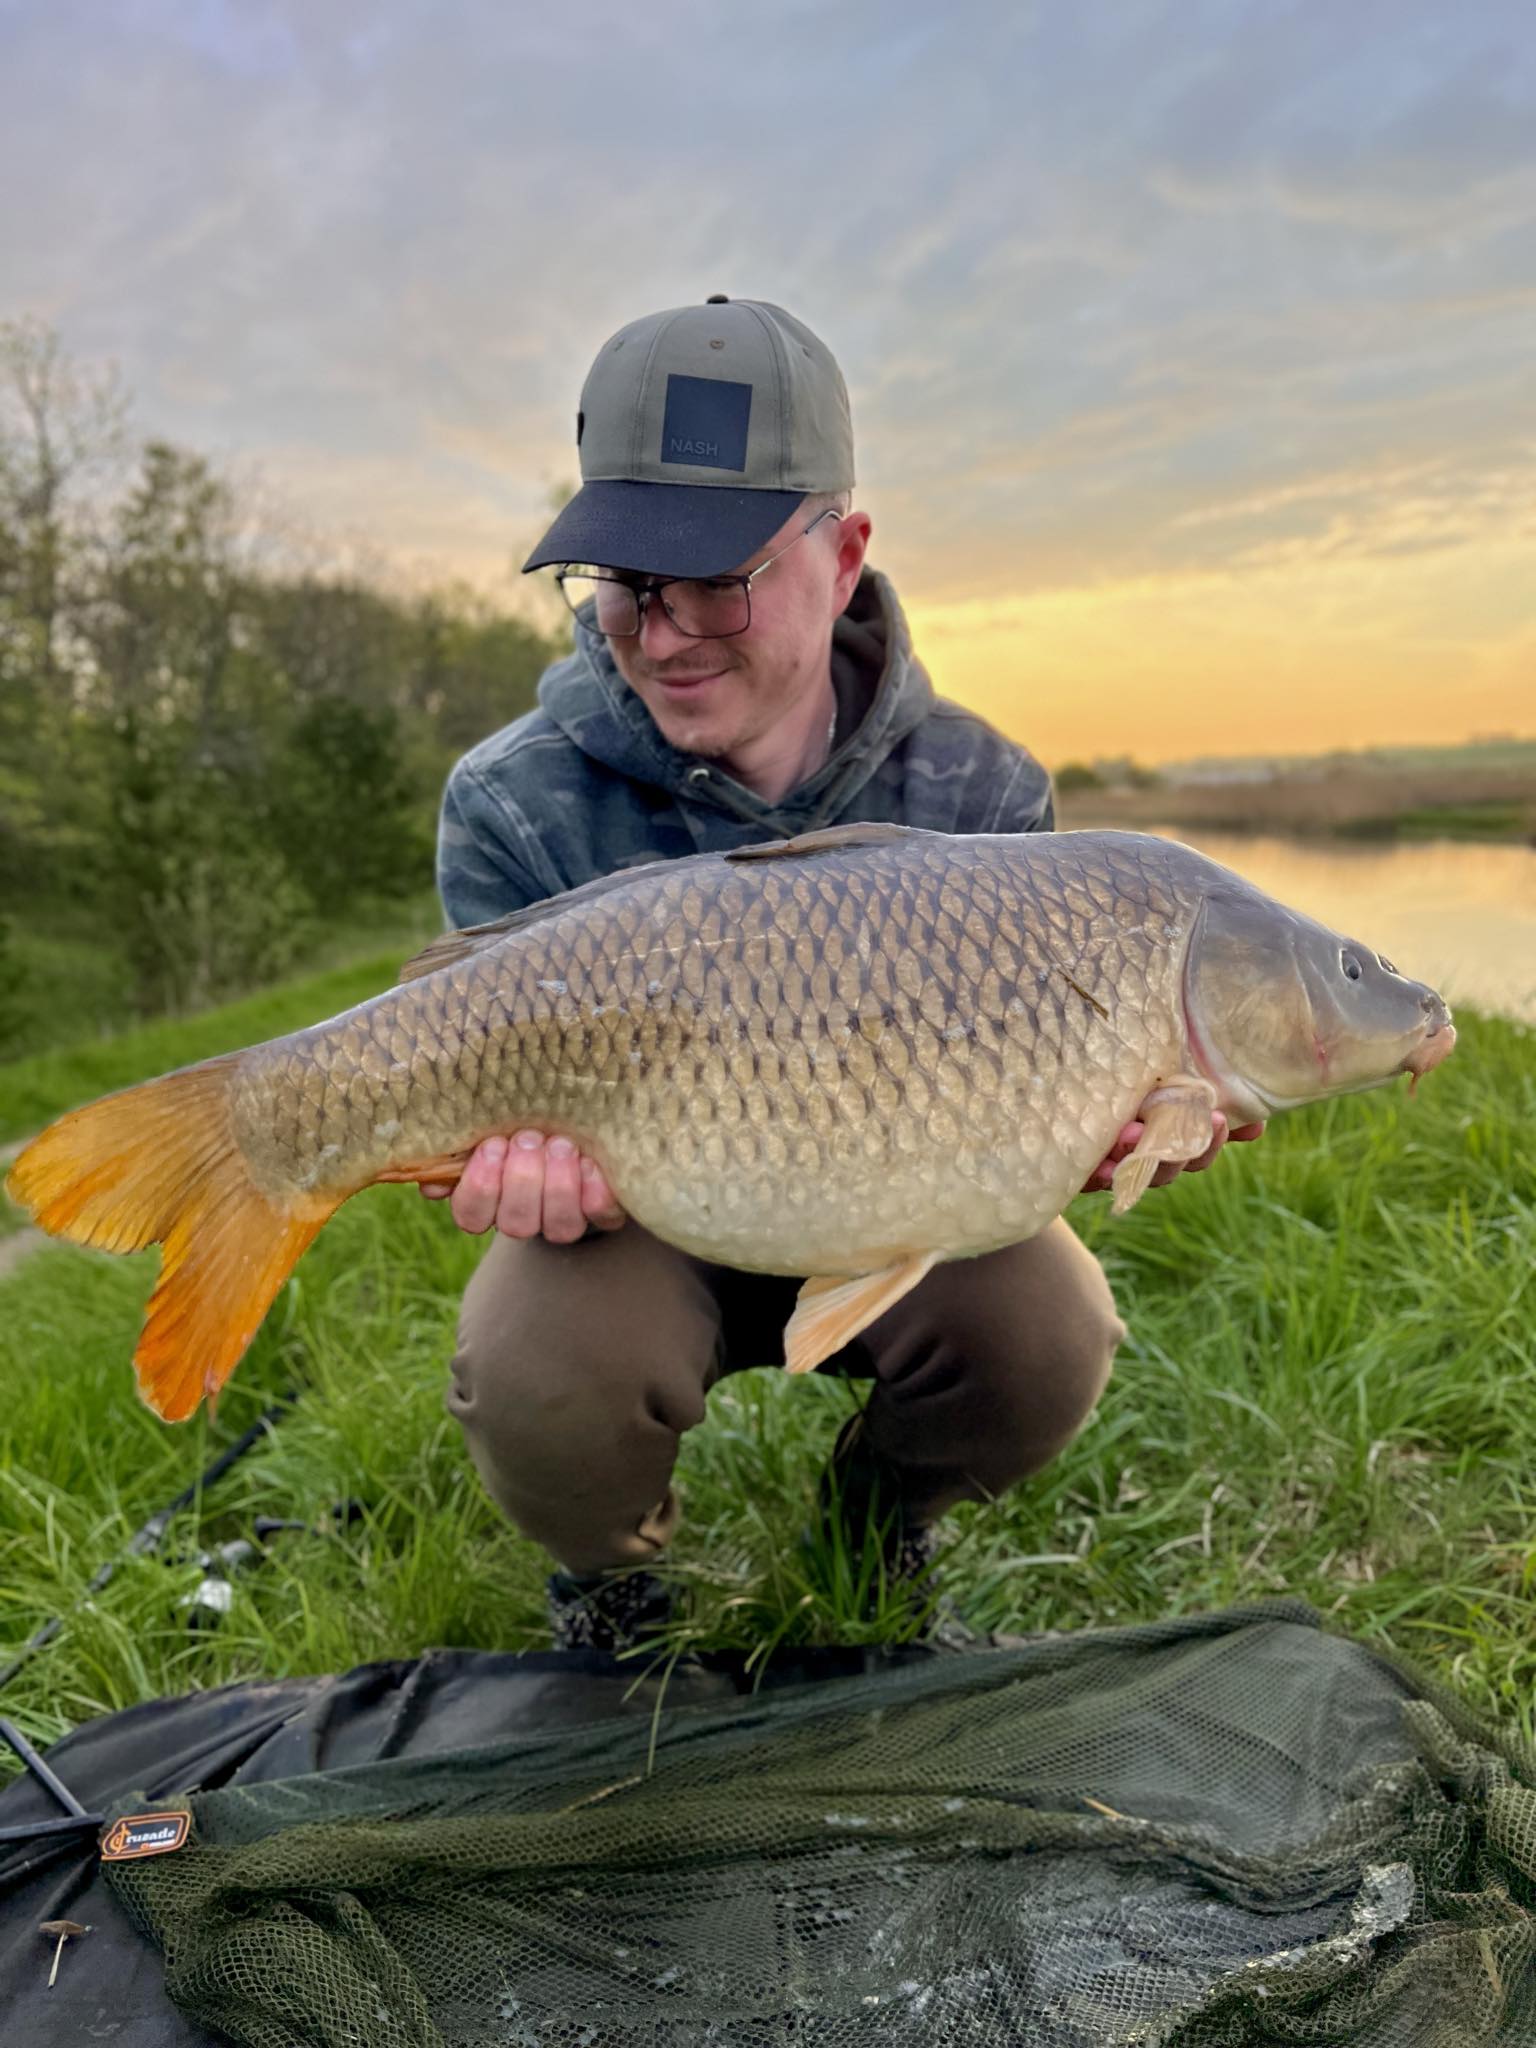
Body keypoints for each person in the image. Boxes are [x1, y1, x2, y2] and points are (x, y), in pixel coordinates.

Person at [427, 297, 1262, 1650]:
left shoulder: (986, 789)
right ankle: (616, 1578)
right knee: (536, 1368)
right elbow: (483, 1097)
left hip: (910, 1197)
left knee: (1055, 1328)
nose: (668, 632)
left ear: (846, 550)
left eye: (720, 580)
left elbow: (1073, 1086)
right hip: (644, 1222)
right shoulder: (514, 802)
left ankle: (880, 1530)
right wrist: (518, 1169)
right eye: (631, 583)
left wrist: (1112, 1120)